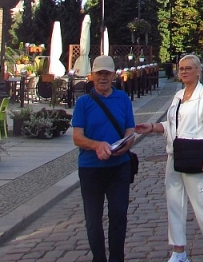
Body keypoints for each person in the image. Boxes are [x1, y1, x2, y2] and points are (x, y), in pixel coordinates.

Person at [135, 54, 203, 262]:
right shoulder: (178, 96)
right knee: (175, 204)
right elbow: (171, 126)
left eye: (188, 68)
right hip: (175, 155)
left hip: (195, 153)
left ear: (198, 71)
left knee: (201, 203)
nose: (184, 71)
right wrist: (151, 127)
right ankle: (178, 251)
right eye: (181, 68)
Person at [73, 55, 135, 262]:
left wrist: (126, 144)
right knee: (93, 219)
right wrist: (96, 145)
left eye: (107, 73)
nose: (103, 78)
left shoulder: (123, 99)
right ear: (92, 76)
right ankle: (98, 258)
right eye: (99, 73)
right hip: (91, 168)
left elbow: (130, 129)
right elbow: (77, 137)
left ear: (114, 76)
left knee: (118, 215)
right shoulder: (83, 103)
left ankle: (117, 258)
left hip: (119, 167)